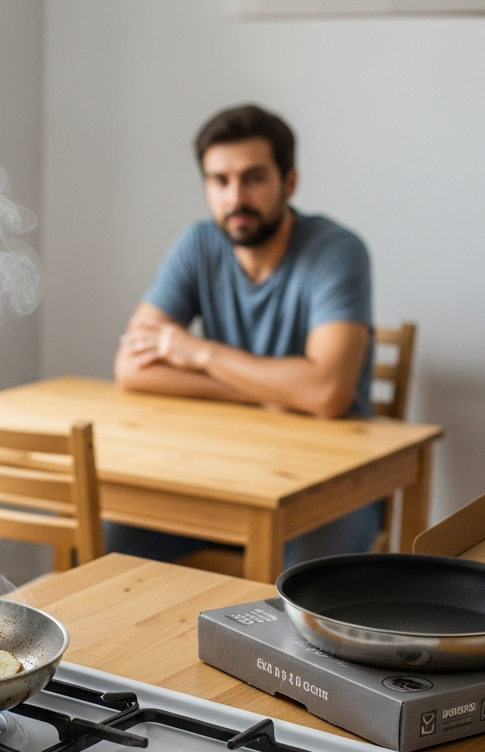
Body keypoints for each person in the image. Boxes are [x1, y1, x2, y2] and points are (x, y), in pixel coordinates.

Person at [113, 103, 381, 565]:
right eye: (220, 181)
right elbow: (131, 369)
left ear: (289, 182)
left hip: (332, 482)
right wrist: (261, 394)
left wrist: (197, 352)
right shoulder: (198, 244)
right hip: (226, 470)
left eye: (253, 178)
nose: (235, 197)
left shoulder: (337, 251)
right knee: (112, 539)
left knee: (305, 586)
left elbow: (327, 393)